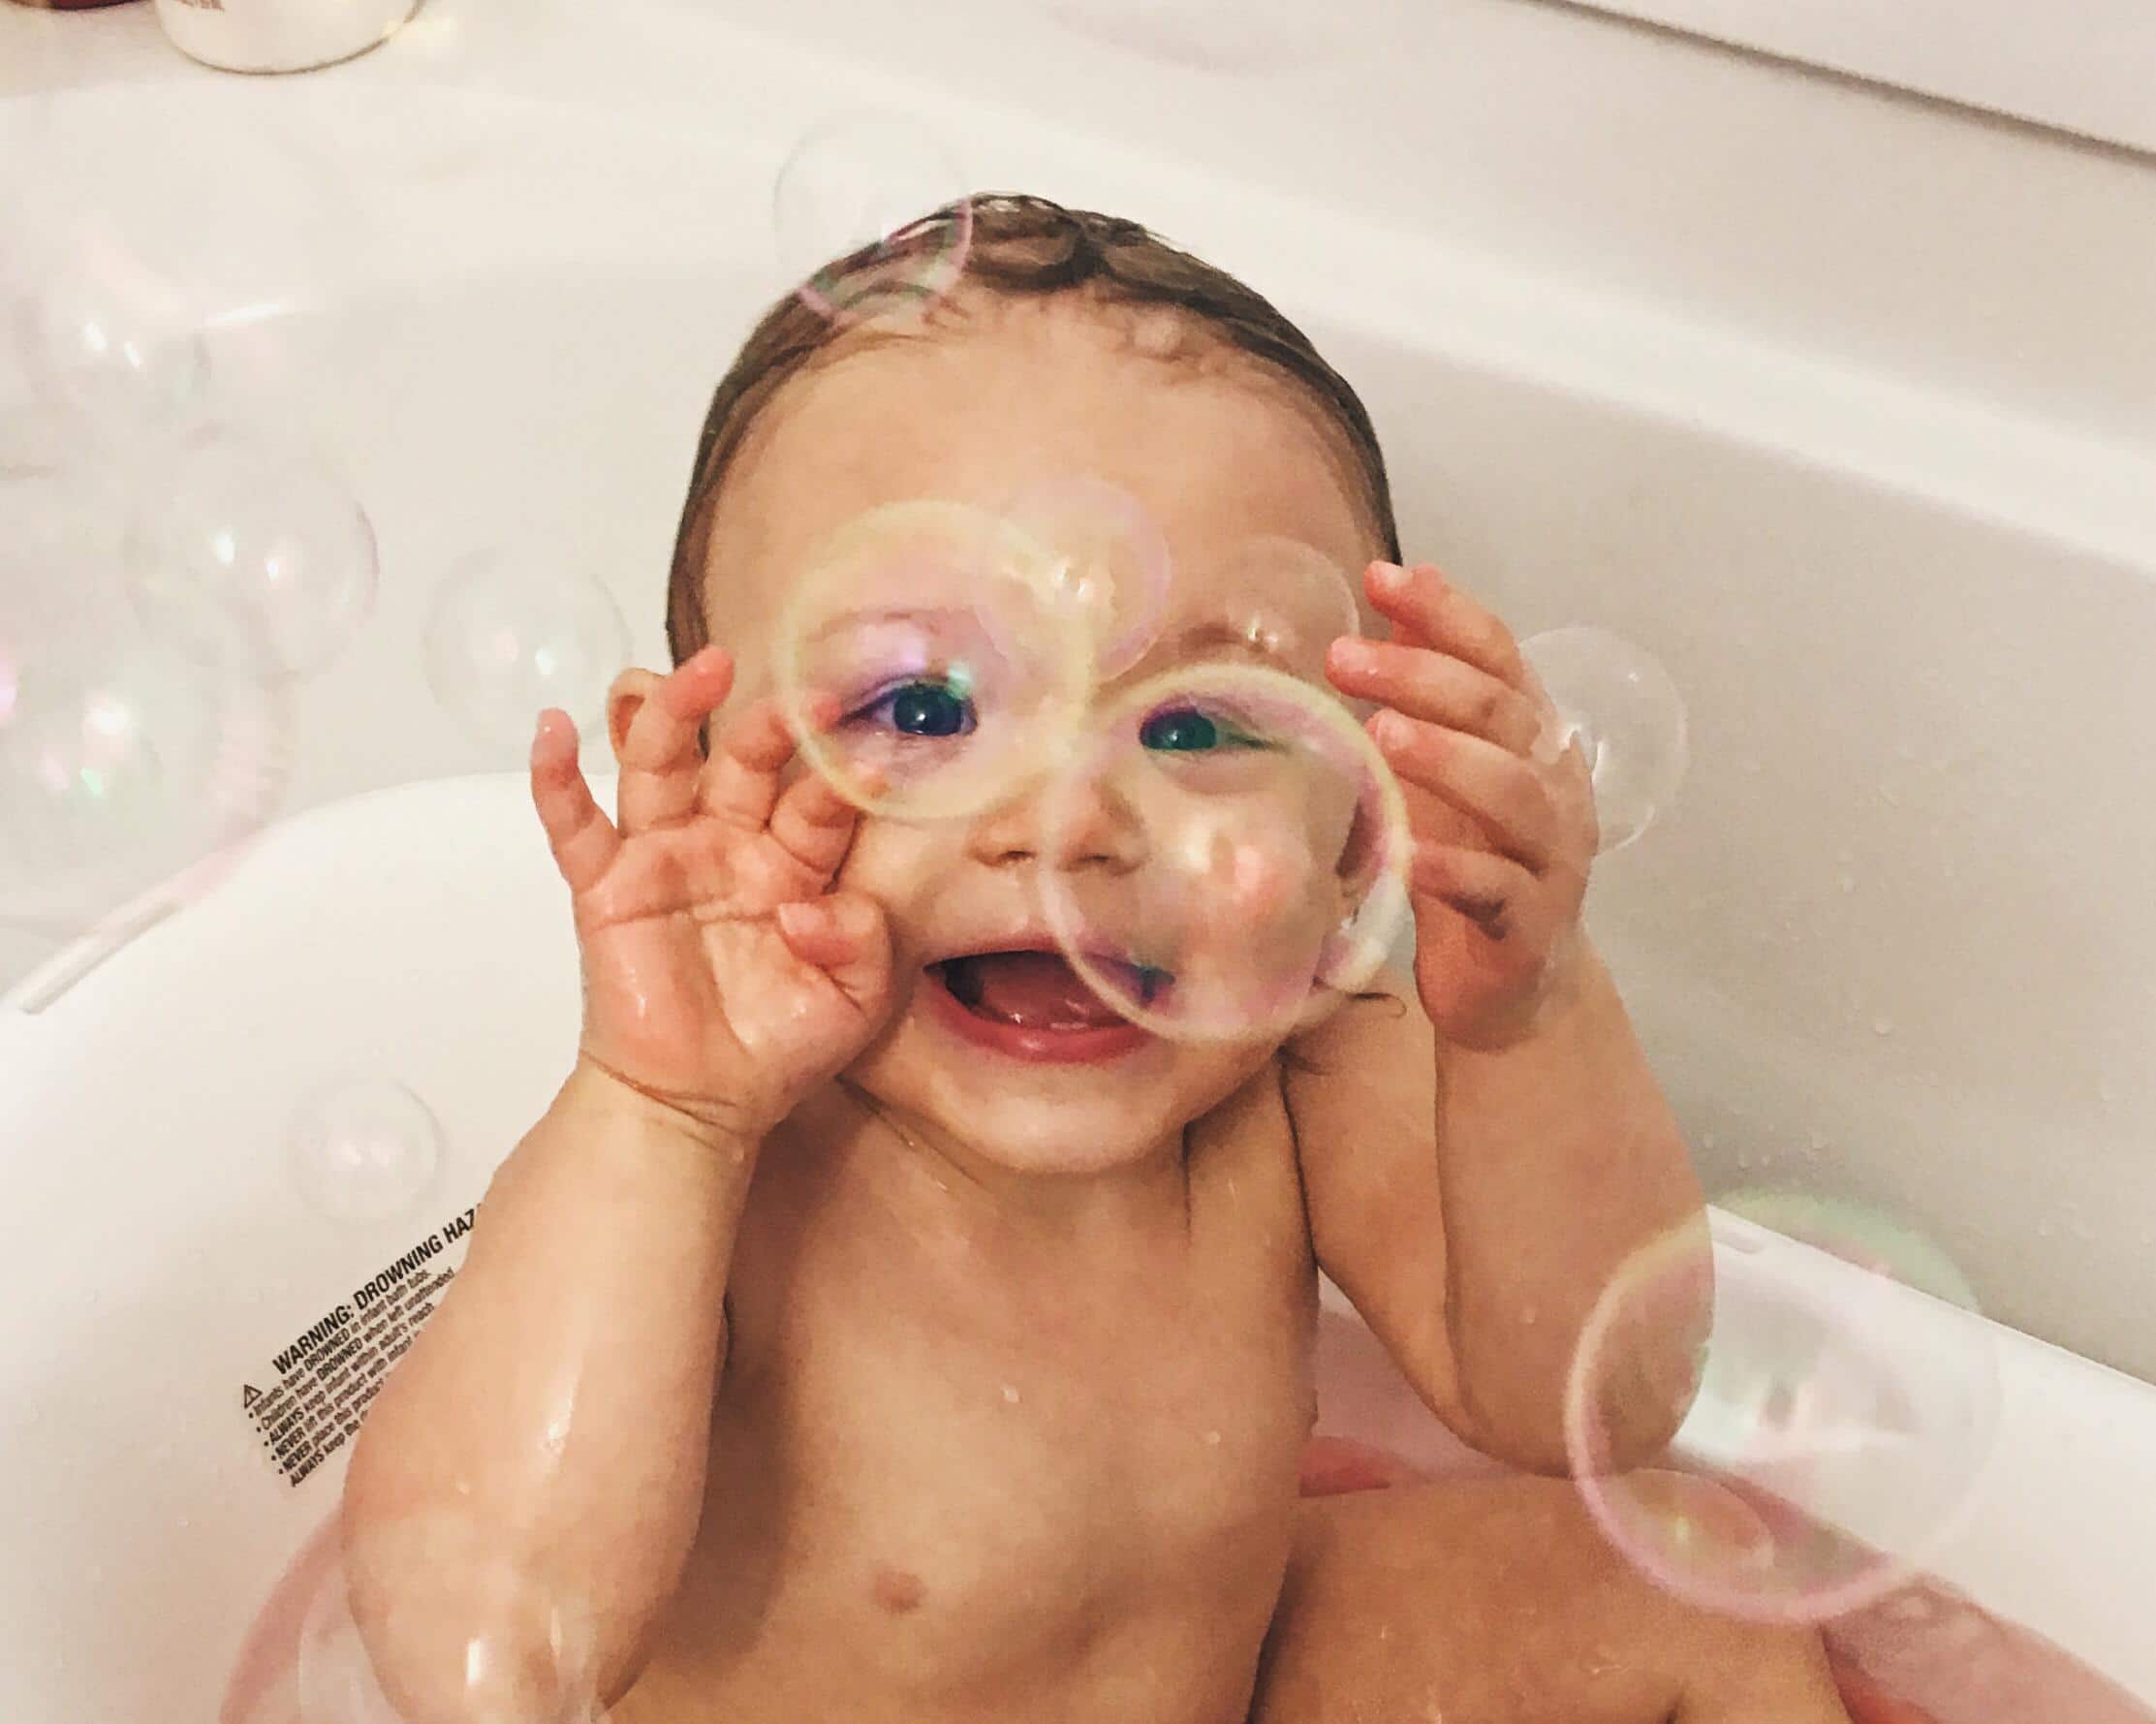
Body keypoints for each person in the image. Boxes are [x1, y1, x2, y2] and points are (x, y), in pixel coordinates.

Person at [338, 194, 1852, 1723]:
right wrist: (663, 1110)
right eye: (921, 713)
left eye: (1196, 727)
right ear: (701, 778)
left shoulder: (1308, 1066)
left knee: (1684, 1581)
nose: (1064, 826)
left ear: (1351, 838)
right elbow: (481, 1644)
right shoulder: (712, 1168)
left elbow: (1591, 1403)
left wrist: (1524, 1023)